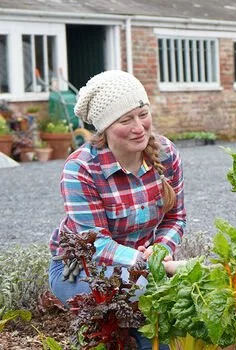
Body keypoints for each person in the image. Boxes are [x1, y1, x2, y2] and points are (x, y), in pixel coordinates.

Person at [47, 70, 186, 350]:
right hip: (77, 267)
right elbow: (96, 244)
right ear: (106, 128)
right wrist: (155, 265)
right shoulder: (81, 169)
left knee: (161, 312)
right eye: (126, 120)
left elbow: (176, 217)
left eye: (143, 114)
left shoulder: (166, 153)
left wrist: (160, 249)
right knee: (145, 301)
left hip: (139, 267)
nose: (139, 127)